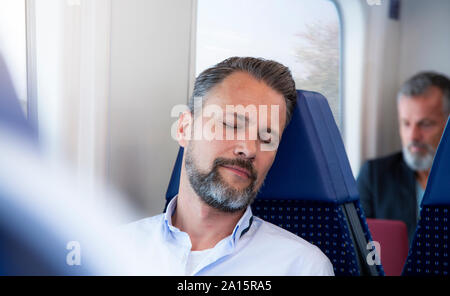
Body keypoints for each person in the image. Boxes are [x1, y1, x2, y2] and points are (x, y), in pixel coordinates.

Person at [122, 57, 334, 276]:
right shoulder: (114, 250)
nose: (250, 149)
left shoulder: (302, 267)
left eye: (267, 137)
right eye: (231, 124)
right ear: (185, 128)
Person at [357, 72, 450, 242]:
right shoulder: (374, 176)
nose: (413, 136)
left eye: (425, 124)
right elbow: (358, 249)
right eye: (406, 123)